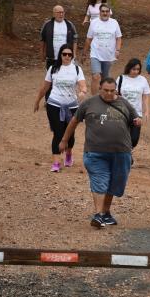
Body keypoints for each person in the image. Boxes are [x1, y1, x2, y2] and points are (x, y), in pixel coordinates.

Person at [59, 77, 142, 228]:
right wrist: (64, 140)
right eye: (106, 91)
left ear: (116, 90)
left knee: (115, 182)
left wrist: (137, 121)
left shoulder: (124, 103)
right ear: (100, 89)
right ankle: (98, 215)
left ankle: (105, 213)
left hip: (121, 152)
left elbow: (136, 118)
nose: (109, 94)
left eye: (112, 91)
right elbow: (74, 121)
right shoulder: (89, 103)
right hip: (95, 152)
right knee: (99, 181)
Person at [34, 44, 86, 173]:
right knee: (57, 133)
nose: (67, 56)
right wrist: (37, 101)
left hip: (72, 106)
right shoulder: (53, 69)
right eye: (64, 54)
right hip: (54, 104)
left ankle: (68, 153)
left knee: (70, 134)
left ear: (72, 56)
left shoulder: (77, 69)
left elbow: (83, 86)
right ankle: (56, 163)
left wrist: (82, 92)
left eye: (69, 54)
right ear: (60, 55)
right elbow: (45, 87)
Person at [82, 4, 123, 95]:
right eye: (103, 11)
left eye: (107, 11)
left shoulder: (114, 23)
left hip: (108, 55)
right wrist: (84, 53)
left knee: (105, 79)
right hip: (95, 54)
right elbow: (89, 39)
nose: (105, 13)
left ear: (109, 12)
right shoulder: (94, 22)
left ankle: (104, 97)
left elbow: (119, 38)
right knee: (96, 77)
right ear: (99, 12)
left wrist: (117, 50)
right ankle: (94, 100)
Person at [116, 58, 150, 149]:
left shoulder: (143, 80)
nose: (135, 71)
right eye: (133, 69)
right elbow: (115, 95)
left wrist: (146, 111)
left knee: (134, 139)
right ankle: (126, 155)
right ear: (129, 68)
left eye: (138, 69)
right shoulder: (121, 79)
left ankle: (128, 151)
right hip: (122, 113)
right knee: (121, 136)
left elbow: (145, 96)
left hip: (136, 113)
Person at [40, 5, 78, 70]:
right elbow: (42, 40)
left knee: (65, 77)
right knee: (51, 76)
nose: (61, 14)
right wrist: (42, 54)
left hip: (66, 56)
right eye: (59, 12)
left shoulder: (69, 24)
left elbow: (75, 39)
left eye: (62, 12)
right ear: (54, 14)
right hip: (51, 57)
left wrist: (74, 53)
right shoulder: (47, 25)